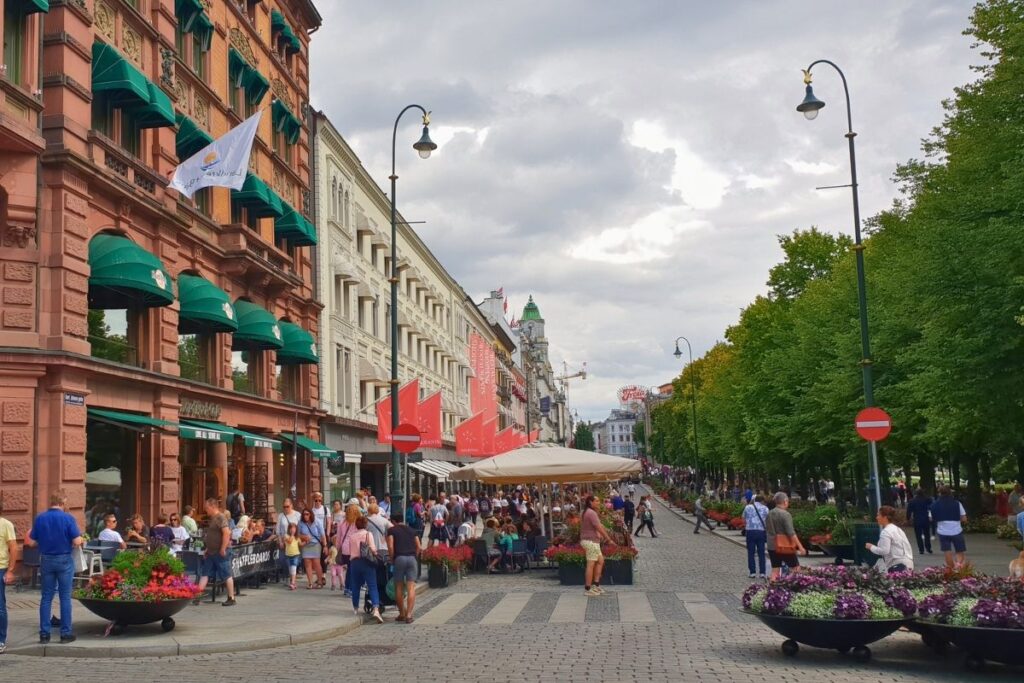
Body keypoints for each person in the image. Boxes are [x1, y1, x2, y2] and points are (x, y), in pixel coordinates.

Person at [26, 490, 84, 643]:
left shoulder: (40, 518)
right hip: (64, 559)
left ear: (50, 502)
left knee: (46, 597)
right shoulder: (68, 518)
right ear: (63, 502)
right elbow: (77, 541)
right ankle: (65, 634)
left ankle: (44, 634)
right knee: (65, 598)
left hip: (46, 559)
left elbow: (31, 542)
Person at [192, 498, 236, 607]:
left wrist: (223, 548)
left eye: (207, 508)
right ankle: (197, 596)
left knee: (226, 573)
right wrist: (208, 548)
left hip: (219, 552)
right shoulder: (214, 518)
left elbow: (226, 533)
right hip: (211, 552)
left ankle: (231, 597)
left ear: (213, 506)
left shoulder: (220, 517)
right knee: (205, 573)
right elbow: (213, 535)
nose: (206, 510)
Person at [345, 517, 383, 623]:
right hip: (366, 562)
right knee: (372, 586)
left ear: (356, 525)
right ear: (366, 525)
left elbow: (350, 550)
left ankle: (356, 608)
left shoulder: (352, 536)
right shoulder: (368, 534)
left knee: (355, 586)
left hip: (354, 563)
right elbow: (372, 549)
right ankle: (376, 608)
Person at [387, 511, 421, 623]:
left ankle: (402, 613)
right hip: (411, 558)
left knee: (399, 587)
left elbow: (391, 546)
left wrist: (392, 559)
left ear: (393, 521)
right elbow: (419, 546)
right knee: (411, 588)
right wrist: (414, 555)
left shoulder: (392, 530)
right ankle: (409, 615)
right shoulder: (412, 530)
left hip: (399, 558)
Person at [765, 492, 806, 581]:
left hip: (772, 545)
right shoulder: (785, 514)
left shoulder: (770, 513)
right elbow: (791, 533)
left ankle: (772, 590)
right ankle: (790, 588)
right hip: (785, 546)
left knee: (775, 570)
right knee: (795, 569)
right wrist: (800, 547)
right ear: (785, 501)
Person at [865, 505, 915, 573]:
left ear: (885, 517)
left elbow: (884, 550)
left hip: (897, 565)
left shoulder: (886, 532)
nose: (877, 518)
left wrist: (871, 547)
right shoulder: (898, 529)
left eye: (878, 515)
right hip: (908, 563)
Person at [581, 495, 613, 597]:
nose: (599, 503)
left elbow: (596, 526)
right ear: (591, 502)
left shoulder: (587, 512)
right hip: (591, 542)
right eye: (597, 501)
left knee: (600, 561)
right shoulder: (591, 513)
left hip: (592, 541)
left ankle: (596, 585)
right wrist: (608, 539)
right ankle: (588, 588)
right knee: (591, 564)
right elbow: (598, 527)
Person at [931, 486, 968, 569]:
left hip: (942, 532)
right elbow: (964, 518)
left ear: (939, 493)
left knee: (947, 551)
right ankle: (958, 566)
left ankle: (951, 569)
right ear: (950, 493)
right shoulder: (957, 503)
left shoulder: (934, 505)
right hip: (957, 531)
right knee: (959, 551)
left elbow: (931, 518)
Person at [0, 498, 18, 653]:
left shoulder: (6, 524)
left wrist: (10, 570)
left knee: (0, 606)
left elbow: (13, 547)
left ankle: (0, 640)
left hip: (0, 568)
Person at [298, 508, 326, 589]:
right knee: (307, 564)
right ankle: (310, 583)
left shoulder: (316, 521)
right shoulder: (301, 523)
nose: (305, 516)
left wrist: (325, 546)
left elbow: (322, 534)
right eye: (304, 514)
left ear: (311, 514)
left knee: (316, 563)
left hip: (315, 544)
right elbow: (298, 534)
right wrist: (304, 536)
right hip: (306, 544)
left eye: (307, 514)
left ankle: (320, 581)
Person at [743, 494, 769, 579]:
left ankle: (752, 572)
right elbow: (768, 520)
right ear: (762, 501)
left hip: (750, 531)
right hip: (761, 531)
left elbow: (744, 517)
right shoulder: (765, 508)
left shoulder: (748, 507)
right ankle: (762, 572)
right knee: (761, 552)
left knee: (751, 552)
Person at [906, 489, 934, 554]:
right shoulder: (928, 500)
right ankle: (928, 548)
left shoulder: (912, 501)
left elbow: (909, 511)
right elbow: (931, 507)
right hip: (926, 518)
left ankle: (921, 549)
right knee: (927, 534)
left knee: (918, 535)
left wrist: (908, 518)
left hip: (917, 519)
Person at [282, 523, 302, 590]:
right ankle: (293, 582)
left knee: (294, 568)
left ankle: (292, 583)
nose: (292, 530)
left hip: (295, 554)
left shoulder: (297, 537)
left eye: (294, 528)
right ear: (289, 529)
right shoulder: (286, 536)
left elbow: (300, 544)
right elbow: (289, 541)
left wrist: (307, 542)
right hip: (288, 555)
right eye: (291, 528)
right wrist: (292, 535)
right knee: (290, 569)